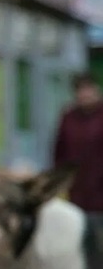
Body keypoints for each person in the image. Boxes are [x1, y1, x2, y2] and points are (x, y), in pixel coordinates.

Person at [53, 72, 103, 212]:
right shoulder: (69, 117)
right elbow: (59, 151)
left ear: (96, 89)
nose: (85, 94)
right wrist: (59, 180)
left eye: (88, 89)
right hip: (76, 189)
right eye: (80, 90)